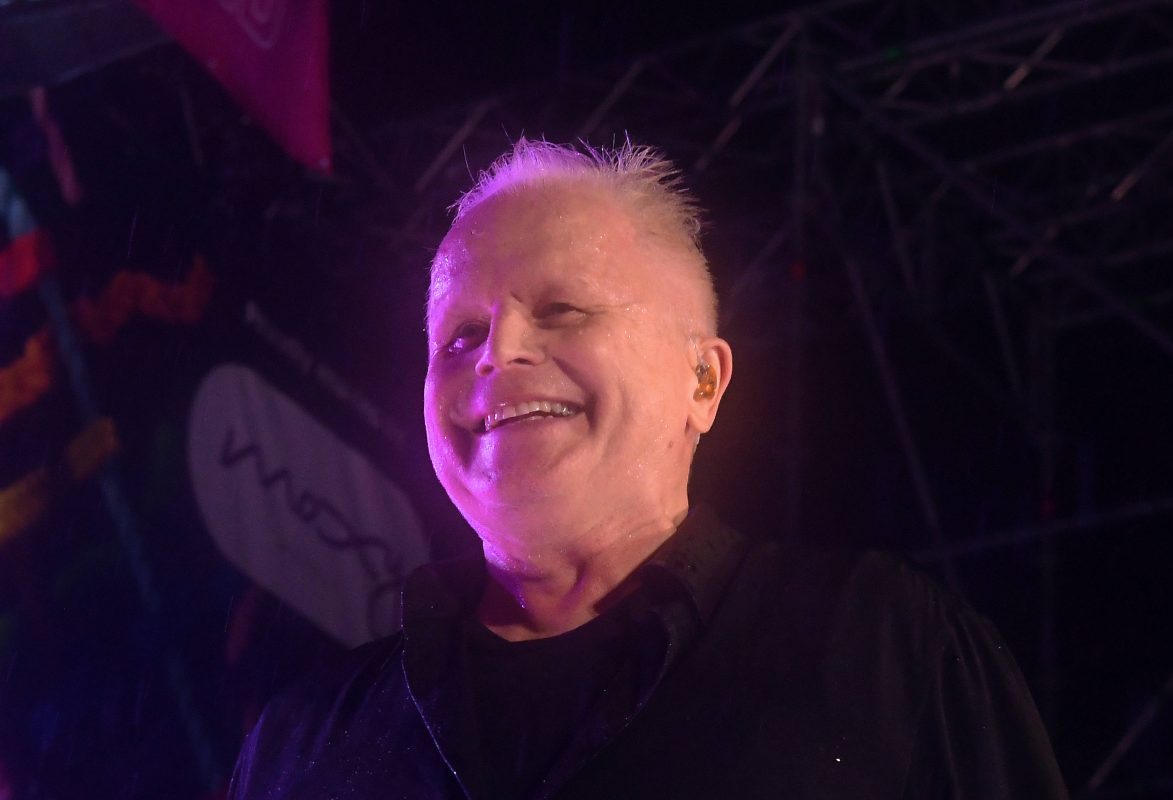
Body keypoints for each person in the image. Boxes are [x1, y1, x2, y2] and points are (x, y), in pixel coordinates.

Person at [229, 139, 1068, 799]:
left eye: (561, 309)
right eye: (459, 337)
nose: (498, 352)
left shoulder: (888, 653)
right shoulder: (304, 743)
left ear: (701, 381)